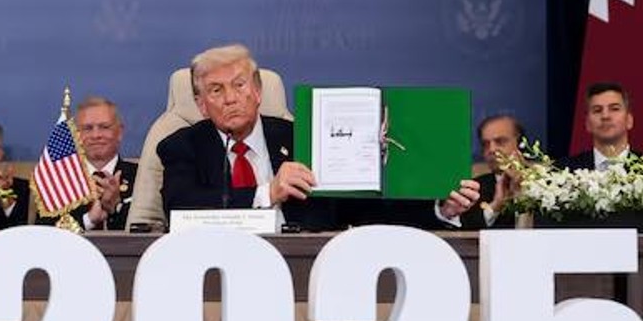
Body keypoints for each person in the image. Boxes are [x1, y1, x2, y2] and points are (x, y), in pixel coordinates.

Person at [159, 44, 480, 229]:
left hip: (304, 273)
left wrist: (441, 209)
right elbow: (180, 208)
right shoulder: (181, 146)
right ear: (201, 105)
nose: (230, 98)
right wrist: (268, 192)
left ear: (257, 92)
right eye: (216, 90)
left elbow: (362, 210)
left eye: (239, 85)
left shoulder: (304, 139)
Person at [37, 96, 136, 230]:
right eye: (88, 128)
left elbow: (153, 229)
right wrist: (88, 220)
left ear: (120, 132)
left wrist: (117, 207)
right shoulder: (55, 181)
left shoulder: (142, 177)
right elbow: (44, 234)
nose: (96, 135)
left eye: (104, 127)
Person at [563, 83, 643, 171]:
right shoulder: (562, 172)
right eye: (597, 110)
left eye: (614, 109)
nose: (605, 116)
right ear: (588, 123)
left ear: (629, 120)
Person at [474, 113, 527, 229]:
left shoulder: (546, 183)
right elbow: (468, 231)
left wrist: (521, 193)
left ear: (520, 145)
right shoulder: (475, 189)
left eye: (500, 141)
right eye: (486, 144)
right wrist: (496, 205)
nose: (492, 149)